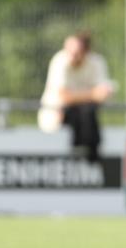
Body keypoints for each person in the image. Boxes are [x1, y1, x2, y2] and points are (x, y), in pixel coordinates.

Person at [39, 31, 114, 160]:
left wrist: (77, 97)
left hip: (85, 122)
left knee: (87, 112)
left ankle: (88, 153)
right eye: (69, 51)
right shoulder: (60, 61)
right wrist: (92, 94)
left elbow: (103, 93)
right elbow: (65, 97)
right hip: (56, 119)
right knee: (82, 111)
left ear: (86, 52)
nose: (71, 56)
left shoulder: (96, 62)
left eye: (76, 52)